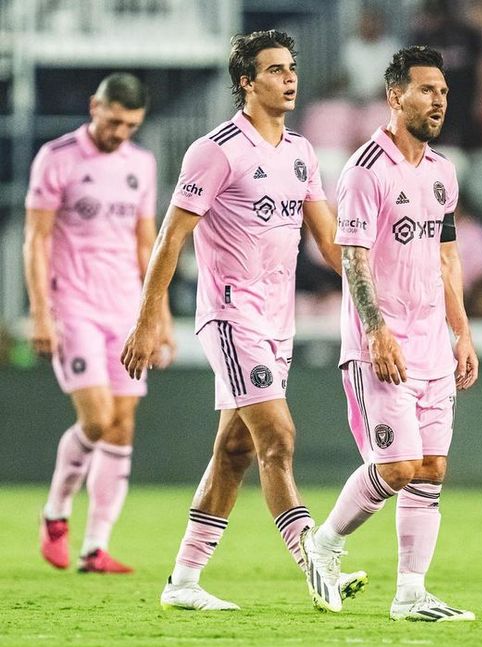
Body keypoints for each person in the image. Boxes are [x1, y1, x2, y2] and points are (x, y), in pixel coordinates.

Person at [120, 30, 362, 611]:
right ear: (247, 83)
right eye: (276, 70)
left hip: (279, 322)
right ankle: (315, 563)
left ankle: (182, 581)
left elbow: (329, 240)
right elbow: (171, 235)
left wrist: (375, 293)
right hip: (231, 316)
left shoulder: (302, 152)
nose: (290, 78)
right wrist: (148, 320)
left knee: (234, 451)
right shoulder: (216, 149)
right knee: (278, 437)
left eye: (292, 67)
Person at [300, 46, 479, 622]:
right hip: (383, 343)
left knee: (430, 471)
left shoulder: (442, 173)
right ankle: (325, 543)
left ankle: (411, 594)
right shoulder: (363, 171)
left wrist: (462, 333)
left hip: (431, 343)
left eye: (444, 92)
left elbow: (446, 259)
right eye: (427, 90)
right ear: (395, 95)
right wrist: (376, 332)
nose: (438, 101)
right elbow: (351, 259)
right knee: (398, 469)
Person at [25, 73, 170, 574]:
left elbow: (145, 242)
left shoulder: (141, 164)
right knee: (97, 419)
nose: (119, 134)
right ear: (94, 108)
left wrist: (159, 316)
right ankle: (55, 513)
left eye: (130, 126)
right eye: (112, 122)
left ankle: (95, 547)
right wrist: (40, 312)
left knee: (123, 426)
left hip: (126, 308)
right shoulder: (57, 157)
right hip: (75, 306)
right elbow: (37, 239)